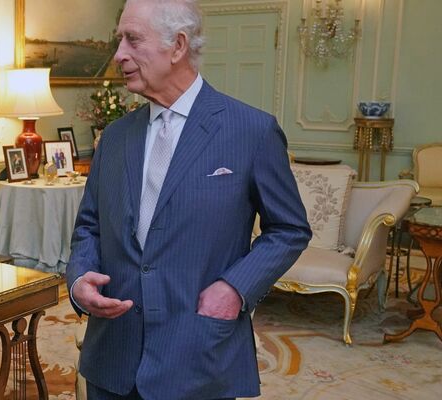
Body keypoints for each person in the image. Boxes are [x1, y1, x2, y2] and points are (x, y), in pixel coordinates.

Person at [67, 1, 311, 399]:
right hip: (113, 357)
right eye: (119, 40)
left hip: (198, 353)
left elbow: (289, 229)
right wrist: (79, 280)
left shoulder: (251, 130)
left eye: (132, 40)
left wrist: (235, 287)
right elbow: (89, 226)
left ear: (177, 46)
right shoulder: (113, 138)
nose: (119, 55)